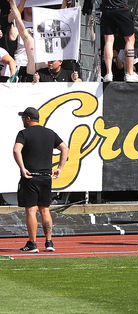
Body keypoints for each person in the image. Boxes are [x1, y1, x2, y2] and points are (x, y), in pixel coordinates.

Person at [12, 106, 70, 253]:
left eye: (23, 118)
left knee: (31, 211)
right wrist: (60, 168)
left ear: (28, 118)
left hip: (31, 176)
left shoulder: (24, 133)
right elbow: (65, 148)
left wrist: (22, 167)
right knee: (45, 210)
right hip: (45, 177)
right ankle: (49, 242)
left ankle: (32, 243)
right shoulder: (49, 133)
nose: (23, 121)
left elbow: (16, 150)